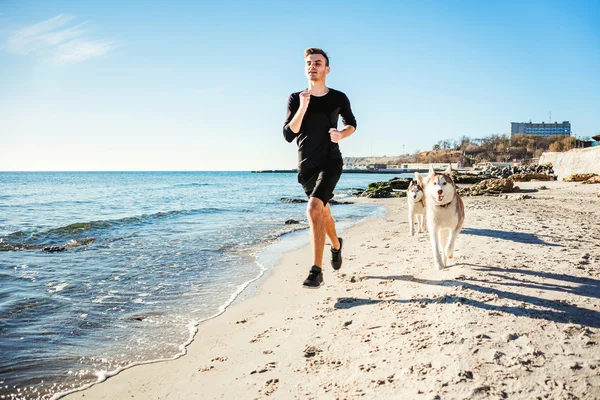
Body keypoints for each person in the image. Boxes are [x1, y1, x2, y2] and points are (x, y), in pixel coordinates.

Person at [282, 48, 357, 288]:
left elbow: (352, 123)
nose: (312, 66)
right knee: (323, 213)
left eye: (317, 62)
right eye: (308, 63)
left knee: (313, 209)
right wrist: (303, 107)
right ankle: (336, 245)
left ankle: (316, 270)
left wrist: (341, 134)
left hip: (331, 161)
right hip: (306, 165)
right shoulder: (296, 98)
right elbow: (288, 134)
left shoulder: (338, 97)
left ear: (327, 69)